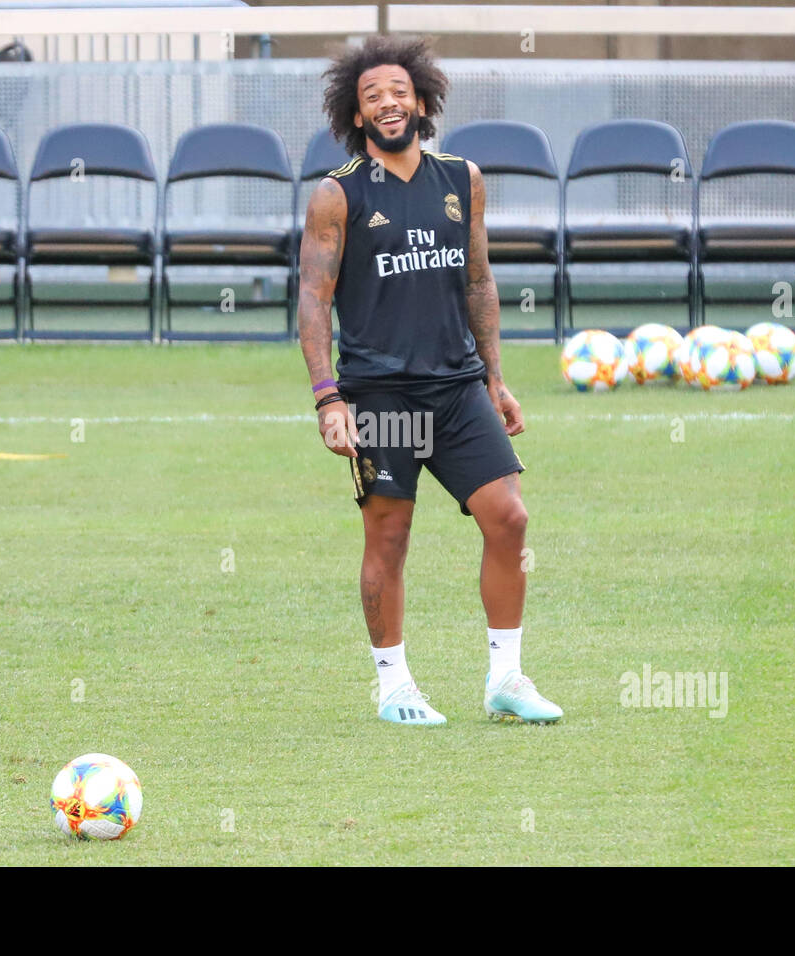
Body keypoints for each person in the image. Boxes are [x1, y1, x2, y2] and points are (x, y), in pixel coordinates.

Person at [297, 36, 562, 726]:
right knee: (389, 537)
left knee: (509, 518)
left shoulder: (461, 179)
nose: (387, 103)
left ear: (421, 99)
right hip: (381, 393)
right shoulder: (338, 194)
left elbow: (477, 279)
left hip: (458, 387)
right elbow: (313, 298)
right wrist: (330, 399)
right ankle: (394, 686)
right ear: (357, 117)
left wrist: (497, 379)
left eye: (397, 91)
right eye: (371, 97)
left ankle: (506, 678)